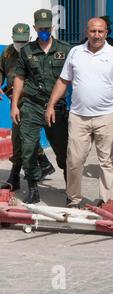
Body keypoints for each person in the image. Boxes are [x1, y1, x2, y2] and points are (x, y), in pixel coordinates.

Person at [45, 18, 113, 209]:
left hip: (105, 117)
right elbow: (62, 81)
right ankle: (73, 199)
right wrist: (51, 105)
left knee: (107, 163)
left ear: (106, 33)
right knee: (74, 161)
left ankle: (107, 201)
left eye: (100, 31)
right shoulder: (75, 53)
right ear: (87, 32)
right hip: (78, 117)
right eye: (93, 31)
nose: (97, 35)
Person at [12, 9, 71, 204]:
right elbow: (20, 77)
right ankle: (33, 187)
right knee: (28, 148)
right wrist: (15, 105)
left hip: (57, 109)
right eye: (40, 28)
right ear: (35, 28)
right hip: (32, 105)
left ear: (52, 27)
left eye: (47, 28)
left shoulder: (66, 49)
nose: (44, 31)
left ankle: (70, 186)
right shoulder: (27, 50)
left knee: (63, 151)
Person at [0, 23, 55, 191]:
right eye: (17, 41)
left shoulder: (34, 52)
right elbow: (1, 70)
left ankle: (16, 176)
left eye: (23, 41)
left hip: (30, 100)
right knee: (23, 136)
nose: (20, 45)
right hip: (14, 99)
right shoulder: (8, 52)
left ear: (29, 39)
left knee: (20, 136)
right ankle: (43, 163)